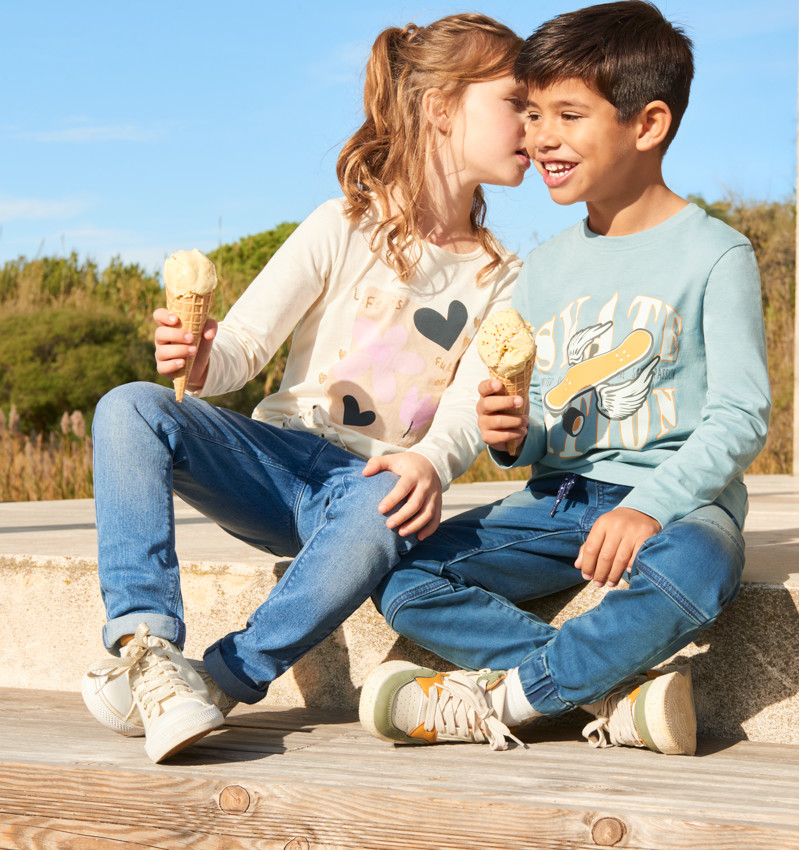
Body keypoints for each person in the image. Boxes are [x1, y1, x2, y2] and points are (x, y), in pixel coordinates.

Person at [81, 13, 530, 764]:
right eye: (516, 100)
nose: (534, 121)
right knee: (128, 406)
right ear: (441, 106)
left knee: (384, 508)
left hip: (367, 486)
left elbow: (463, 411)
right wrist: (198, 359)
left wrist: (432, 463)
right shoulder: (342, 224)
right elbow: (244, 350)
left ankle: (221, 677)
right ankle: (148, 647)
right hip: (273, 457)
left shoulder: (503, 275)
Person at [360, 0, 771, 756]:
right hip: (556, 504)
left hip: (675, 505)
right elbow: (547, 424)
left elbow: (741, 416)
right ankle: (612, 692)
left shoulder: (715, 254)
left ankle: (511, 701)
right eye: (533, 112)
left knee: (703, 566)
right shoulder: (543, 268)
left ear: (647, 126)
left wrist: (649, 507)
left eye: (568, 115)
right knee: (402, 574)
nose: (539, 135)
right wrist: (513, 436)